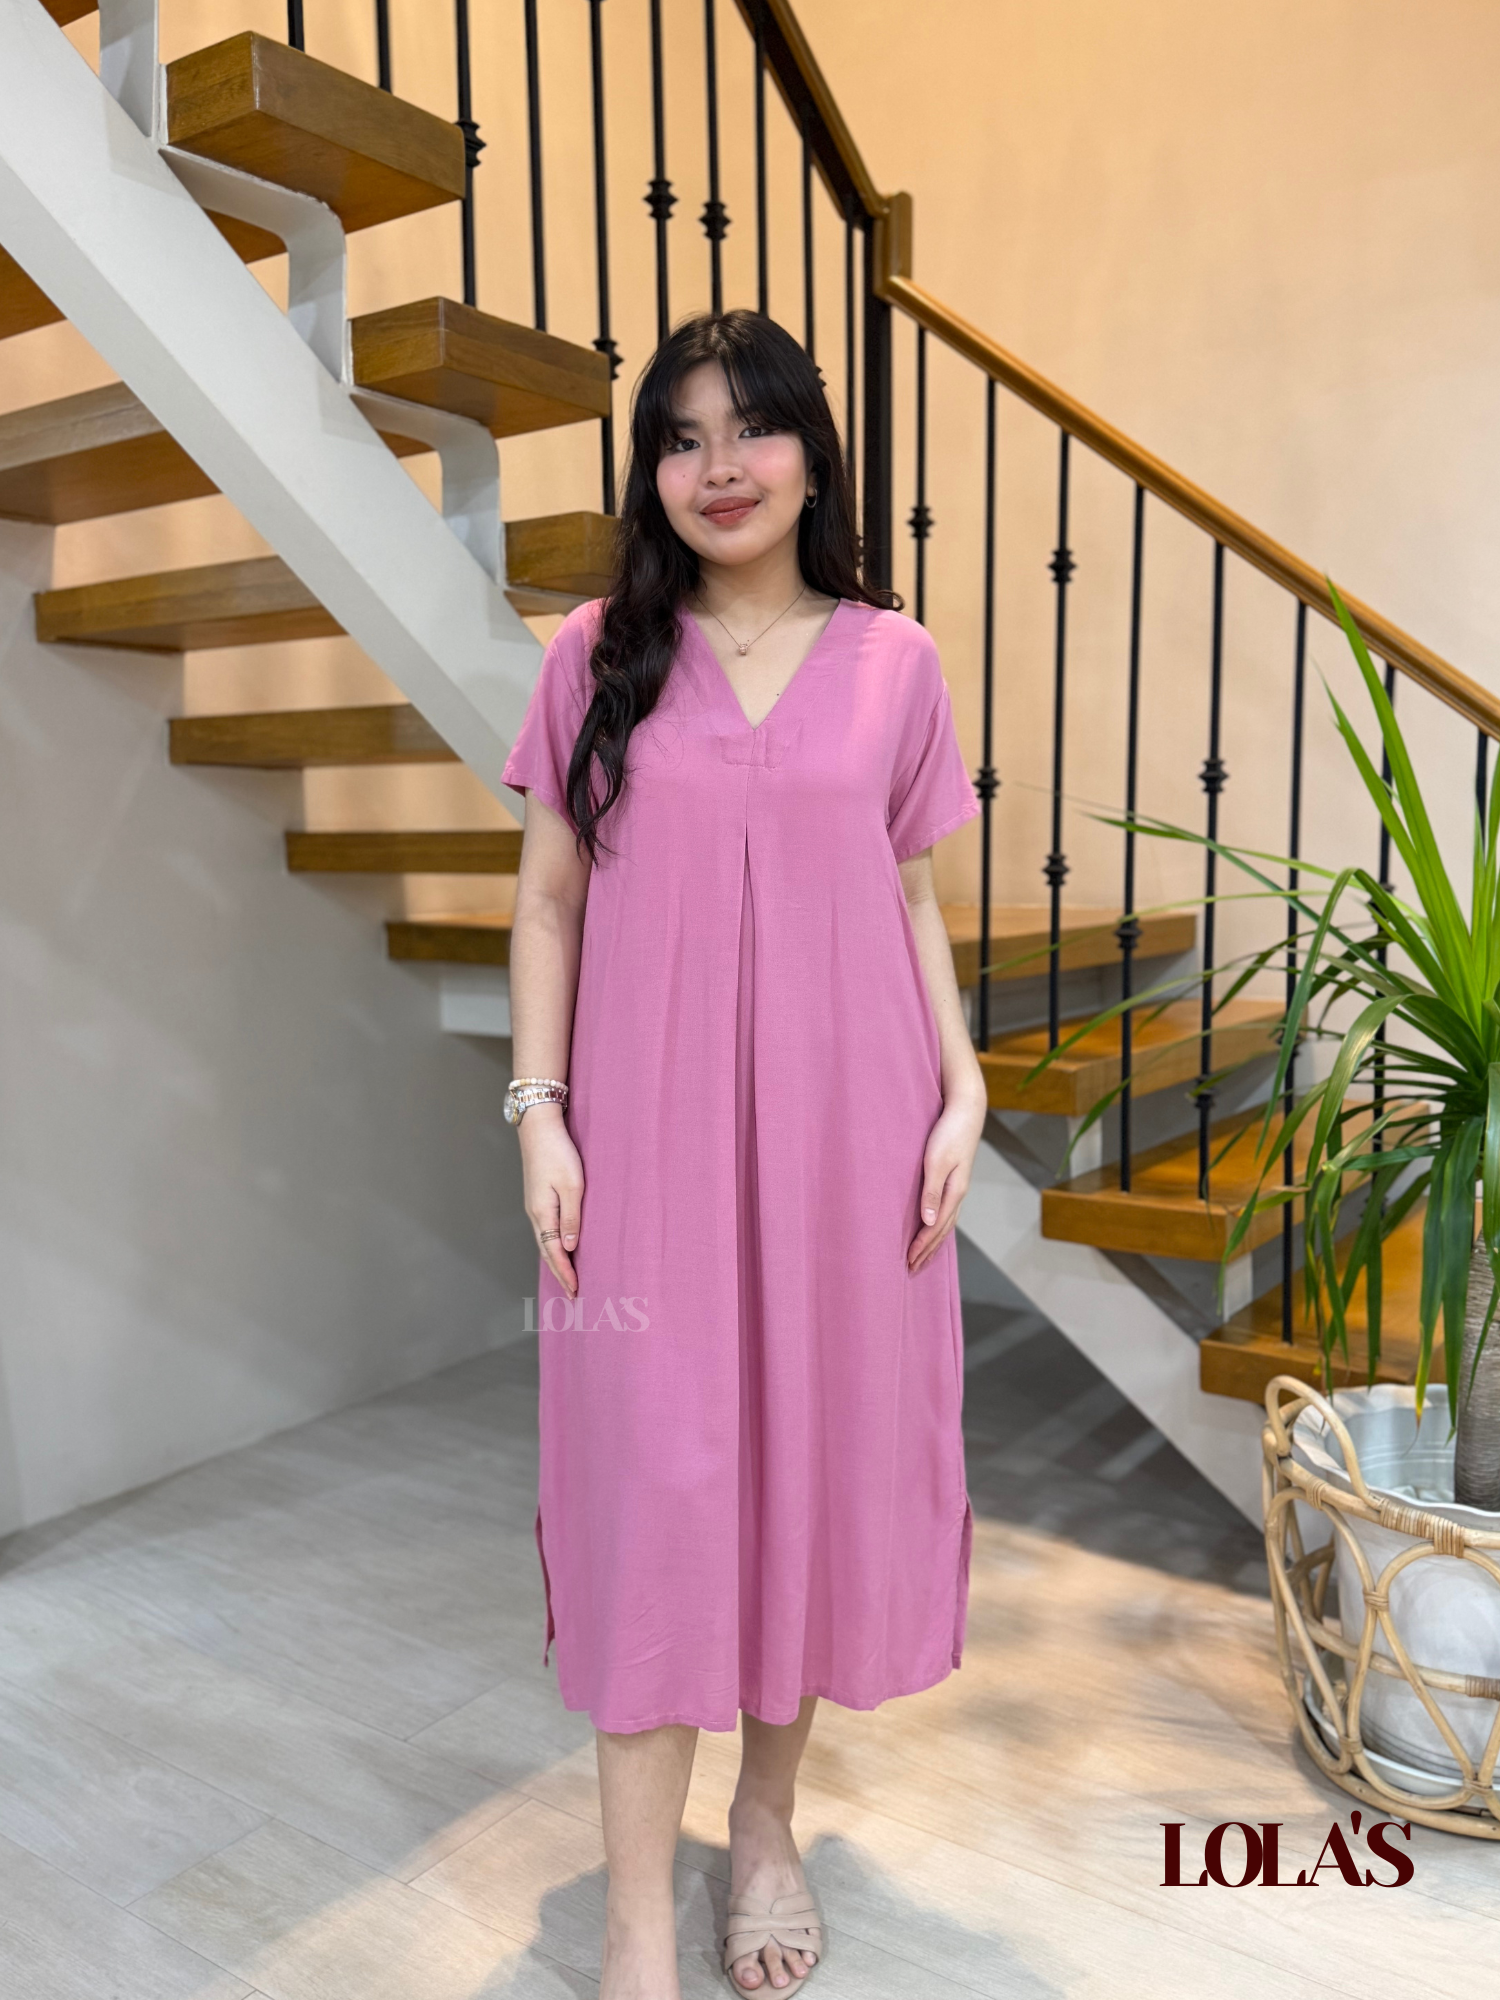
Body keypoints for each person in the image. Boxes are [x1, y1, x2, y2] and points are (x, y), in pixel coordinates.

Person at [499, 309, 986, 2000]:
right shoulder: (596, 652)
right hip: (645, 1147)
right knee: (655, 1492)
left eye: (751, 428)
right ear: (649, 470)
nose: (718, 467)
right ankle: (638, 1915)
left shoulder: (895, 661)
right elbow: (545, 903)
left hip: (858, 1139)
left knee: (815, 1475)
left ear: (810, 455)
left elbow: (910, 891)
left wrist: (963, 1087)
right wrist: (540, 1109)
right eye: (680, 436)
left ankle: (765, 1825)